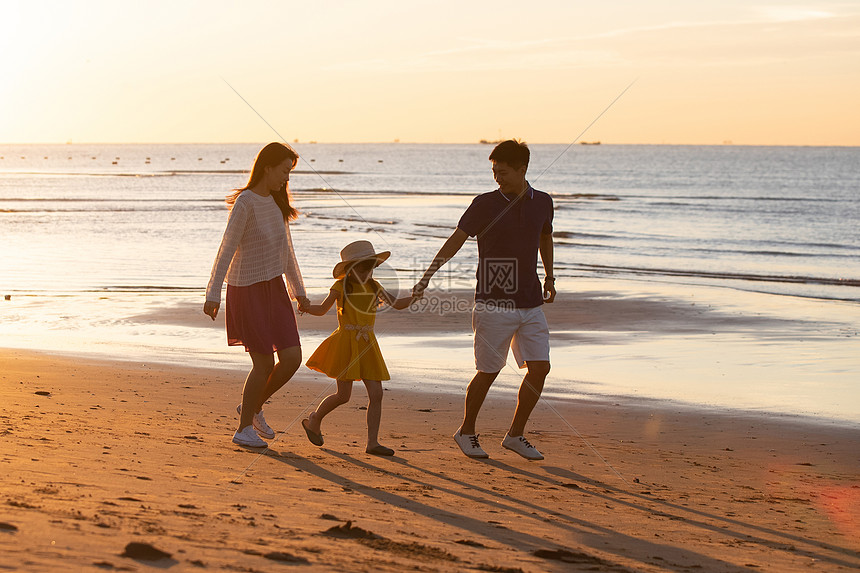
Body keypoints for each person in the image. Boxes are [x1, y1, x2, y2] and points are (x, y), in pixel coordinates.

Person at [413, 139, 555, 460]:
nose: (497, 178)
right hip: (493, 302)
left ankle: (515, 435)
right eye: (494, 172)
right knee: (489, 371)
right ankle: (466, 432)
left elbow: (545, 236)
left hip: (531, 302)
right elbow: (456, 240)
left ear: (523, 169)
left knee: (540, 368)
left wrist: (549, 276)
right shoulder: (484, 204)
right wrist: (428, 275)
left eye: (503, 172)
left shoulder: (543, 202)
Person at [204, 142, 310, 448]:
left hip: (275, 289)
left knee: (291, 358)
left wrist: (299, 292)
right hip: (246, 289)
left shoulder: (277, 204)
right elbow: (226, 249)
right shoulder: (246, 203)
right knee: (263, 364)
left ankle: (251, 407)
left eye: (289, 173)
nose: (286, 180)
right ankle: (242, 429)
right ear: (267, 167)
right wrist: (213, 293)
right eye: (284, 171)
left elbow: (286, 253)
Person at [301, 240, 417, 456]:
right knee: (343, 396)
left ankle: (372, 442)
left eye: (371, 267)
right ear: (351, 268)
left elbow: (398, 304)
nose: (368, 272)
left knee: (377, 393)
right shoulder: (341, 286)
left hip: (367, 345)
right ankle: (315, 418)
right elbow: (322, 309)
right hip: (346, 344)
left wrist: (415, 296)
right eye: (364, 268)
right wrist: (306, 307)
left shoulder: (374, 286)